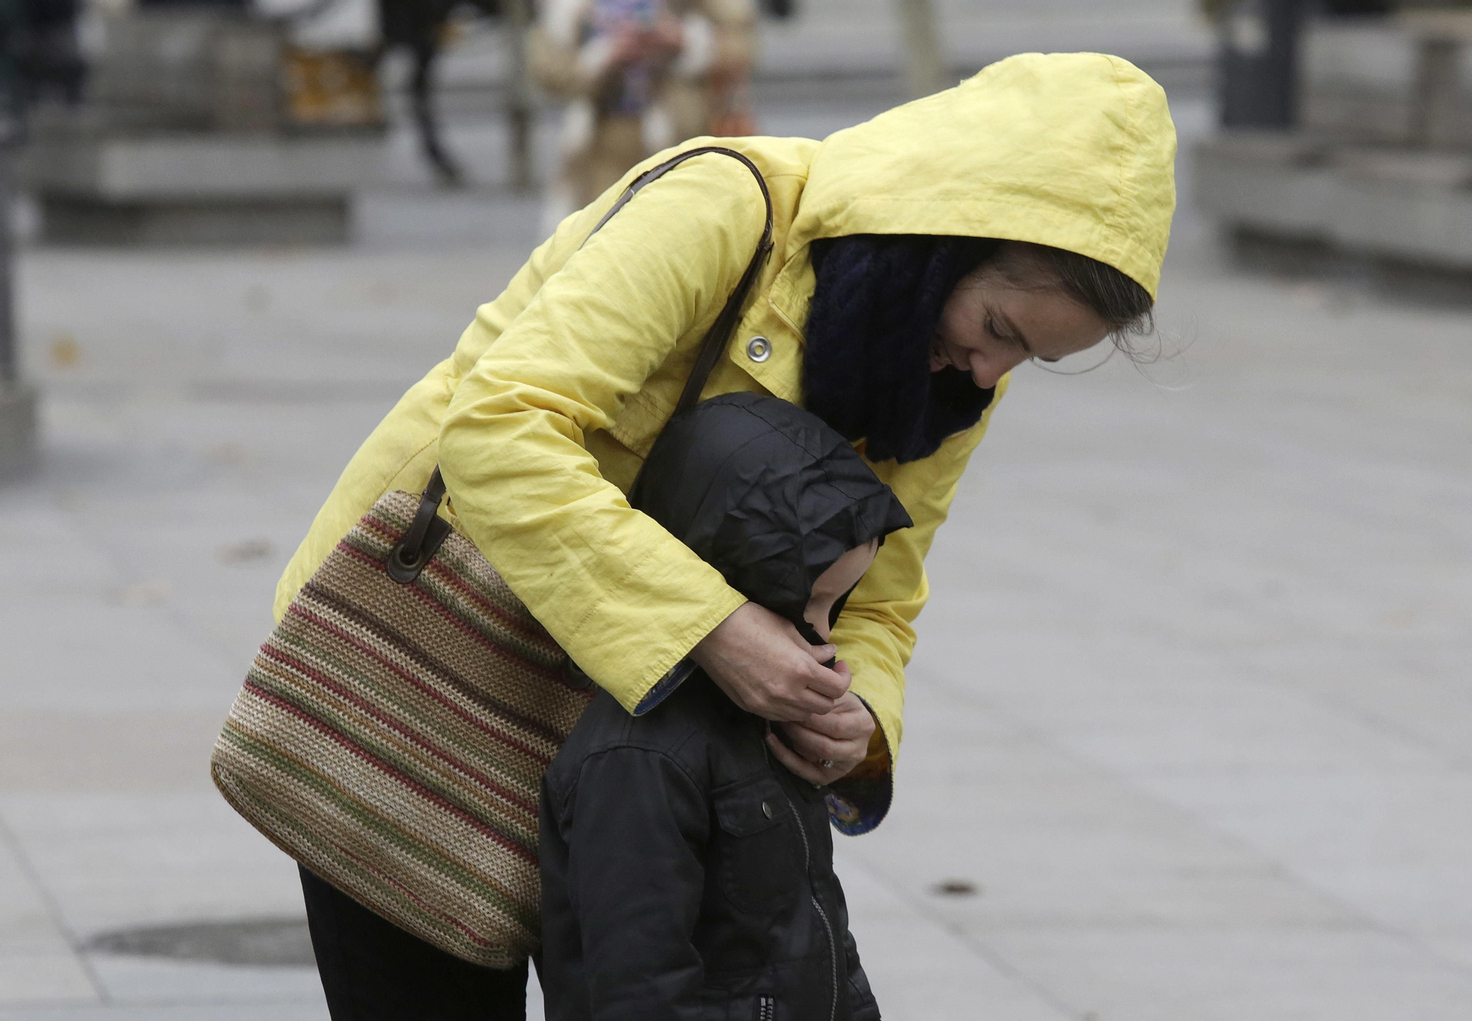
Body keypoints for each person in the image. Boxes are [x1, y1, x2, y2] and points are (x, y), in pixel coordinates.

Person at [283, 51, 1175, 1017]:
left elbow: (883, 590)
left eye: (1028, 357)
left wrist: (858, 720)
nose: (990, 369)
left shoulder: (953, 374)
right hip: (438, 677)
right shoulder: (724, 204)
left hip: (652, 765)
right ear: (939, 236)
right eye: (997, 323)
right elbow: (502, 430)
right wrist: (712, 628)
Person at [540, 391, 910, 1021]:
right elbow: (639, 986)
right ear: (731, 583)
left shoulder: (765, 719)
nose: (825, 638)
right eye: (806, 604)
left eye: (836, 607)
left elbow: (818, 924)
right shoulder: (639, 759)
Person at [533, 0, 757, 207]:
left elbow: (742, 45)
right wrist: (605, 56)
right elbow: (547, 66)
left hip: (683, 141)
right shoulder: (570, 8)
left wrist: (680, 40)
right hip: (600, 147)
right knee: (604, 232)